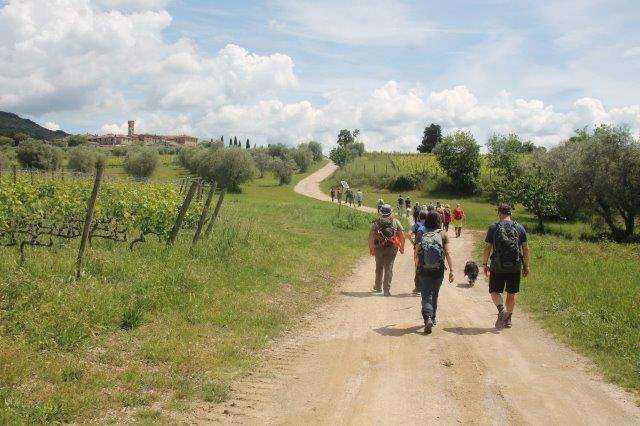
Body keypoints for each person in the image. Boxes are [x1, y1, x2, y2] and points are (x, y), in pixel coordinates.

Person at [482, 204, 530, 329]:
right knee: (511, 293)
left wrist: (485, 264)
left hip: (497, 266)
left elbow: (487, 247)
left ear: (499, 213)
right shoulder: (519, 227)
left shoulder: (494, 227)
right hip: (515, 266)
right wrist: (526, 266)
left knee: (494, 291)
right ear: (510, 213)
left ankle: (502, 310)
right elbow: (525, 248)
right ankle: (508, 319)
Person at [415, 211, 454, 334]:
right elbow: (447, 252)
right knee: (435, 293)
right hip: (439, 269)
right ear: (439, 221)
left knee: (426, 294)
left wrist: (417, 265)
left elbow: (416, 251)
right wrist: (452, 270)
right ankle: (433, 317)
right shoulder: (443, 234)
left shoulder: (421, 233)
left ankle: (428, 317)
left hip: (424, 268)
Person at [369, 204, 405, 296]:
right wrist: (402, 247)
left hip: (379, 247)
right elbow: (402, 235)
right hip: (392, 247)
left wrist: (371, 248)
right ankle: (386, 290)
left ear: (381, 212)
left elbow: (371, 236)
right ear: (390, 212)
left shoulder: (376, 222)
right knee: (389, 267)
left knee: (379, 266)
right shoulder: (395, 221)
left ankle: (378, 286)